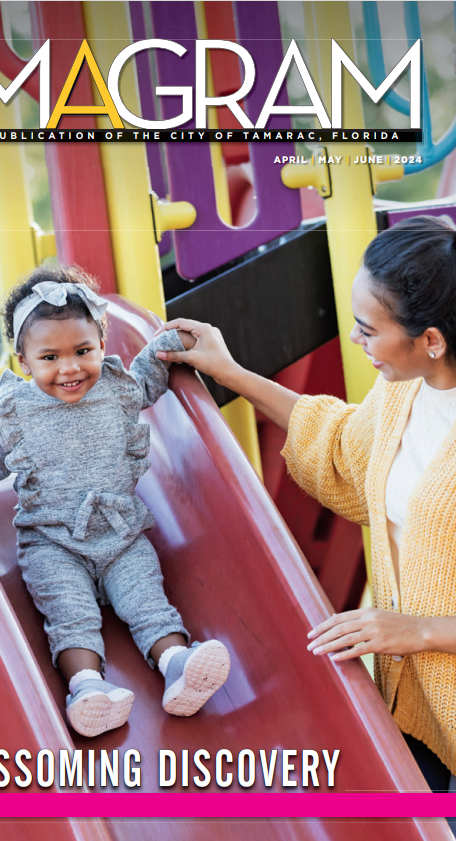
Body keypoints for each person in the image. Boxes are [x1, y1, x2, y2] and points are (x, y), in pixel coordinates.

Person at [155, 215, 456, 800]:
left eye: (368, 329)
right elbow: (342, 445)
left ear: (433, 340)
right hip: (421, 705)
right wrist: (233, 374)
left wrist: (418, 630)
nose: (354, 340)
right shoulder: (405, 390)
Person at [0, 265, 230, 738]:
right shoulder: (21, 413)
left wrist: (164, 344)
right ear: (24, 359)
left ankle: (177, 664)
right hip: (51, 542)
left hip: (120, 534)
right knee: (70, 615)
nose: (70, 367)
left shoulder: (116, 390)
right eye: (49, 356)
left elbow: (151, 378)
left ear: (101, 343)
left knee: (147, 600)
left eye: (82, 351)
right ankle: (87, 689)